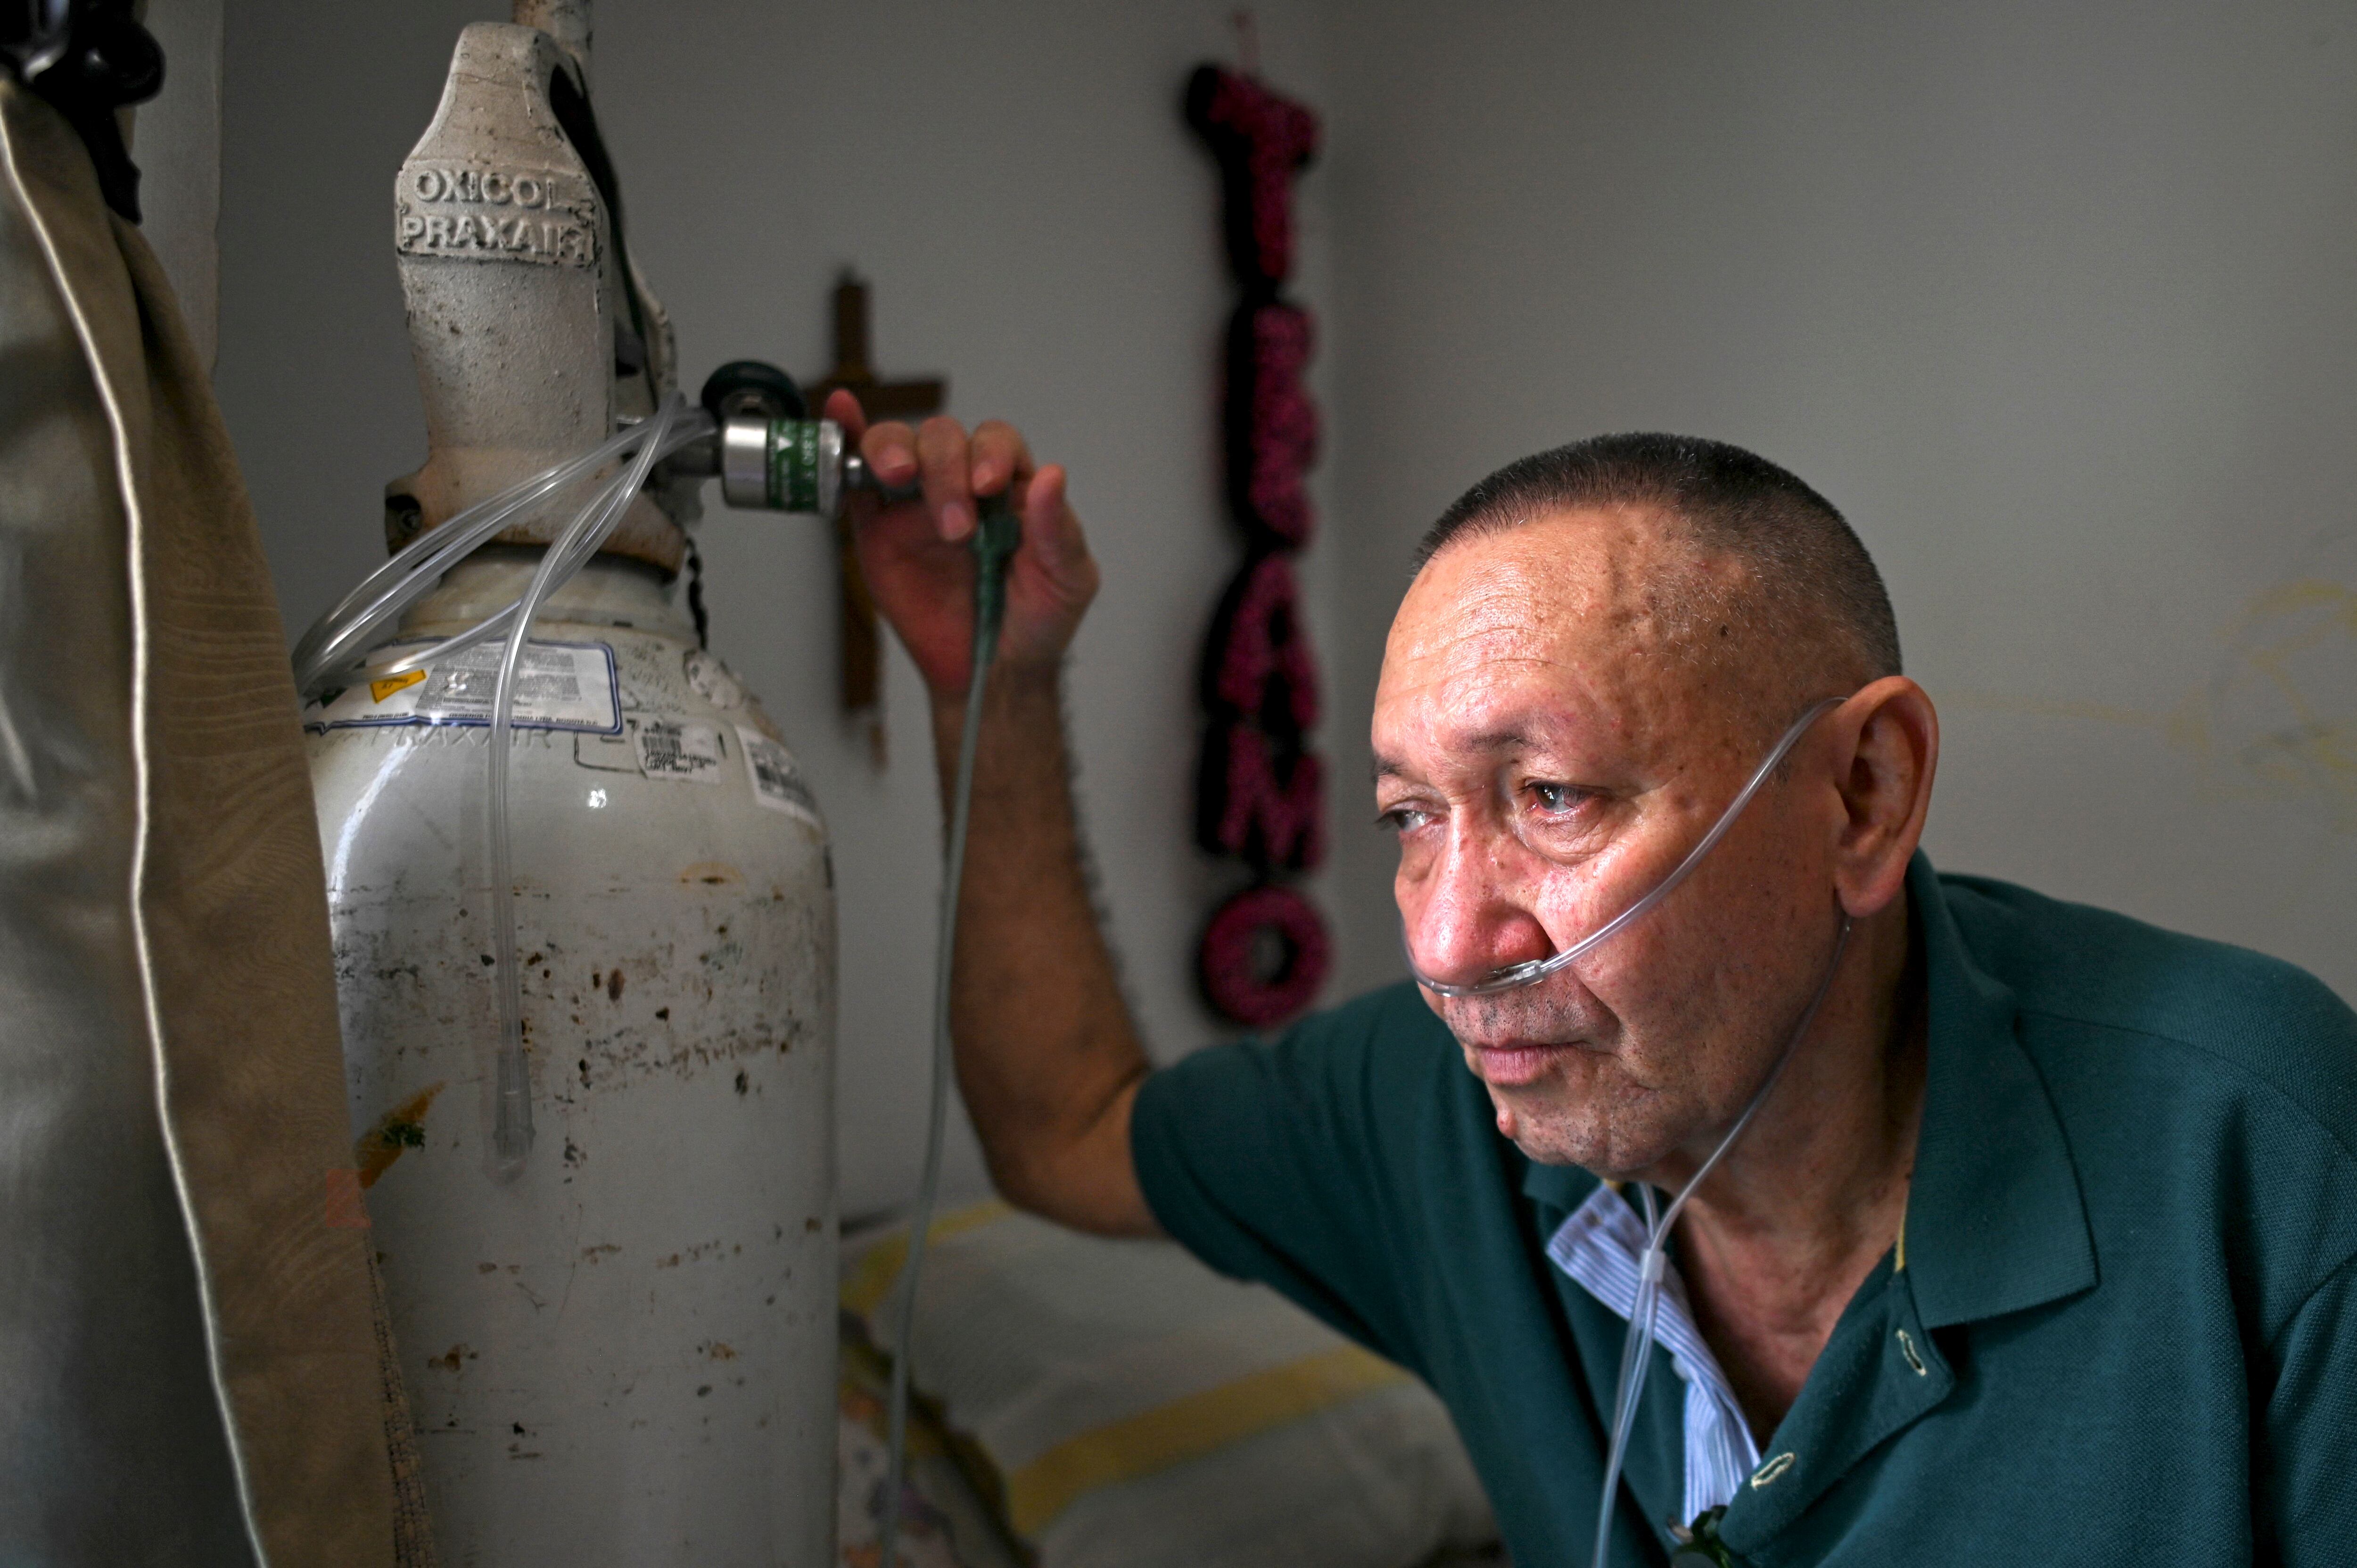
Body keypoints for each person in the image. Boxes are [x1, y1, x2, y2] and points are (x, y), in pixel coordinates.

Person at [827, 387, 2357, 1567]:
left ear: (1865, 796)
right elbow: (1069, 1127)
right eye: (1411, 821)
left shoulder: (2267, 1158)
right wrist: (997, 684)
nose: (1447, 948)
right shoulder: (1455, 1111)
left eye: (1552, 798)